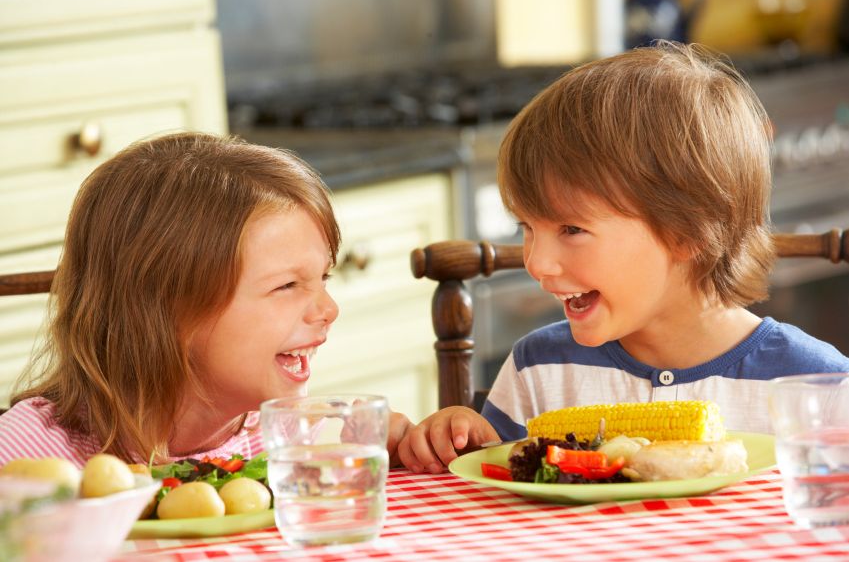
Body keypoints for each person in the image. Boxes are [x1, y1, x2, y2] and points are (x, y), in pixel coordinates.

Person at [396, 41, 849, 474]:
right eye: (527, 228)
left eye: (572, 229)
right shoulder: (539, 369)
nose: (536, 263)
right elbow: (502, 489)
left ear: (687, 232)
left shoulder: (820, 389)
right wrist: (462, 440)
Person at [0, 132, 412, 467]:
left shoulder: (283, 437)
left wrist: (407, 452)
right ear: (166, 309)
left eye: (323, 278)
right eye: (287, 286)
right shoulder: (27, 456)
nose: (329, 309)